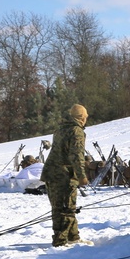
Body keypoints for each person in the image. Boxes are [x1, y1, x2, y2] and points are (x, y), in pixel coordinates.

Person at [42, 104, 89, 247]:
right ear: (81, 117)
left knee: (61, 206)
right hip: (63, 175)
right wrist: (82, 176)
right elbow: (76, 155)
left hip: (51, 173)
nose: (86, 119)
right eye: (85, 116)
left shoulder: (61, 129)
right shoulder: (76, 131)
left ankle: (73, 236)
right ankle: (60, 241)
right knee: (65, 208)